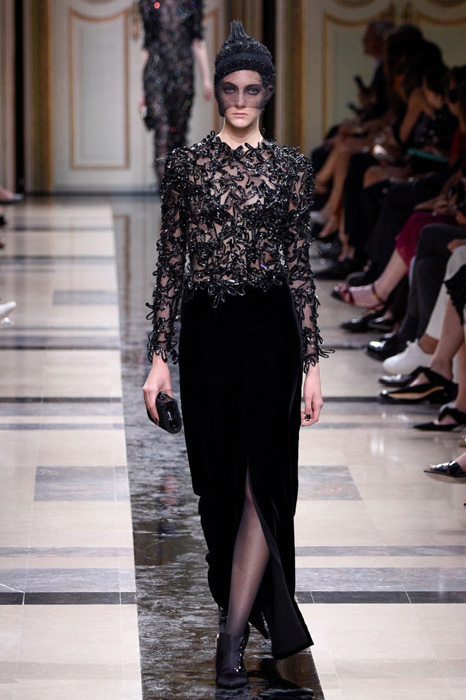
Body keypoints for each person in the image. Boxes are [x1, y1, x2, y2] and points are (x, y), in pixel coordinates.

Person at [143, 21, 328, 689]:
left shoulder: (290, 169)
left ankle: (231, 638)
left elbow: (299, 270)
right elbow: (171, 266)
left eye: (252, 89)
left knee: (260, 486)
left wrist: (311, 363)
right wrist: (159, 360)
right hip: (209, 335)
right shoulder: (188, 167)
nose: (241, 100)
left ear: (267, 92)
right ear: (218, 92)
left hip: (273, 335)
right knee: (217, 490)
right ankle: (238, 609)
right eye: (230, 89)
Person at [138, 0, 213, 184]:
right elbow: (147, 44)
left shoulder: (192, 3)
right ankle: (165, 191)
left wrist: (206, 78)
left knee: (178, 133)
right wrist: (143, 91)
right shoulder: (150, 3)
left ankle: (176, 189)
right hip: (155, 73)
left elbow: (197, 40)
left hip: (182, 74)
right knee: (162, 130)